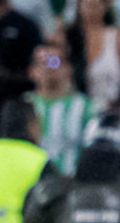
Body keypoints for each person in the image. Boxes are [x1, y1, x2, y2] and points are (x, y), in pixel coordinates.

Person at [27, 44, 96, 174]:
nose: (49, 68)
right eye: (43, 63)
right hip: (33, 185)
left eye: (55, 62)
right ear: (32, 71)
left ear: (68, 69)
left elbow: (93, 150)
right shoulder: (23, 107)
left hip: (73, 184)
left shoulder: (86, 107)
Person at [66, 0, 120, 114]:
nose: (91, 7)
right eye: (87, 3)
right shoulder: (68, 39)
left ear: (105, 7)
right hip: (74, 112)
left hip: (113, 112)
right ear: (79, 6)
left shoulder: (119, 37)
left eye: (97, 3)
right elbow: (54, 63)